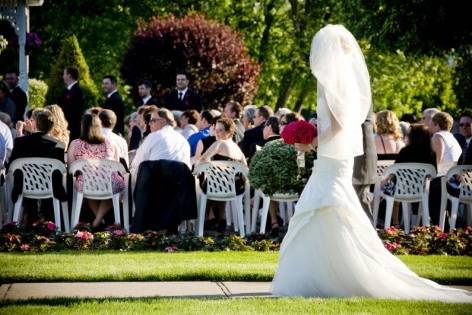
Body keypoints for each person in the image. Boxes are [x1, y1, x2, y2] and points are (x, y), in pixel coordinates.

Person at [272, 24, 471, 302]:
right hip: (335, 158)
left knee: (326, 209)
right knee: (328, 212)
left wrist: (312, 141)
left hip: (332, 157)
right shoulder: (346, 82)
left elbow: (340, 125)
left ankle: (333, 275)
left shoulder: (333, 82)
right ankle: (327, 274)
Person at [7, 109, 66, 225]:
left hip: (24, 185)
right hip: (50, 187)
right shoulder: (59, 144)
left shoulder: (21, 142)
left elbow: (11, 166)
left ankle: (27, 222)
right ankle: (49, 222)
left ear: (35, 124)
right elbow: (60, 170)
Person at [68, 113, 124, 228]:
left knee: (88, 183)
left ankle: (97, 221)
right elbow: (117, 166)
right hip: (109, 184)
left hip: (86, 184)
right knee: (116, 185)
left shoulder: (75, 144)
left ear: (82, 126)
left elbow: (70, 168)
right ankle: (98, 220)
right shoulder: (111, 143)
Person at [197, 117, 247, 232]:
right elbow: (245, 168)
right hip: (235, 187)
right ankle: (221, 218)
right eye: (216, 130)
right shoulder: (237, 148)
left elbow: (202, 160)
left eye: (220, 130)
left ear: (229, 133)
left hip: (215, 186)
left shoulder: (219, 143)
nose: (217, 133)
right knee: (221, 180)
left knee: (201, 183)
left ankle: (205, 219)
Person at [131, 108, 191, 174]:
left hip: (155, 181)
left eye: (153, 120)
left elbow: (136, 164)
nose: (149, 124)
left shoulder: (153, 136)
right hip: (179, 182)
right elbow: (188, 168)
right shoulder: (184, 141)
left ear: (163, 121)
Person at [60, 66, 85, 141]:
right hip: (65, 125)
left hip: (73, 127)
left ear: (69, 75)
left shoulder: (78, 91)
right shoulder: (66, 90)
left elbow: (75, 110)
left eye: (64, 74)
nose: (63, 76)